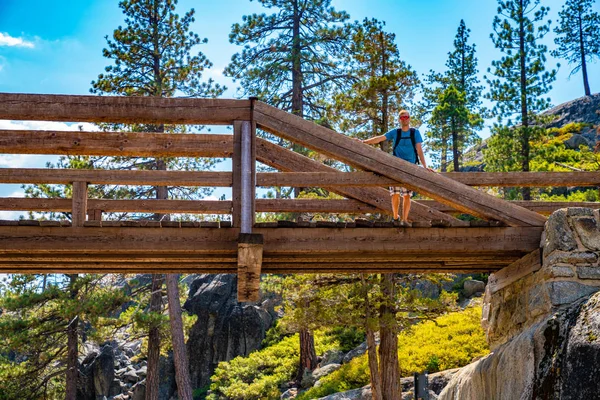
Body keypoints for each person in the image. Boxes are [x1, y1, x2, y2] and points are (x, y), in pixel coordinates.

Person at [358, 110, 432, 227]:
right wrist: (363, 142)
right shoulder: (395, 132)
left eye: (406, 117)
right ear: (399, 120)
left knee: (407, 195)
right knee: (395, 194)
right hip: (395, 167)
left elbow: (419, 150)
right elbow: (380, 138)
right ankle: (395, 217)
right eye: (402, 118)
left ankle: (405, 220)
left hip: (410, 168)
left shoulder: (415, 133)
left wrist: (425, 167)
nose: (404, 119)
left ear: (409, 118)